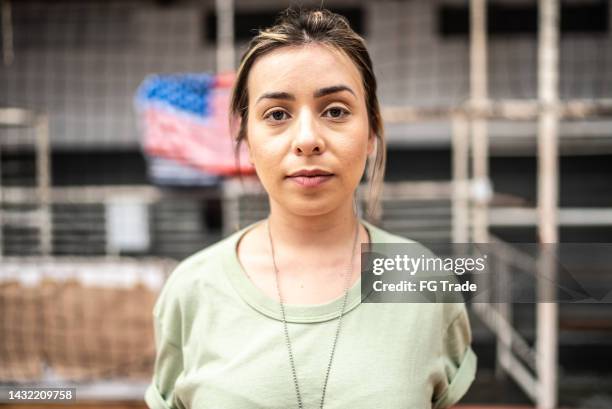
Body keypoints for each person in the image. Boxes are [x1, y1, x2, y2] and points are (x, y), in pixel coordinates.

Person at [145, 7, 477, 409]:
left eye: (335, 111)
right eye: (277, 114)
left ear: (372, 131)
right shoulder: (191, 290)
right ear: (247, 139)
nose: (307, 139)